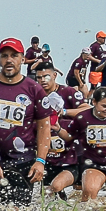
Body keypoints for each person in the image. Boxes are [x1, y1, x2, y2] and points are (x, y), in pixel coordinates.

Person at [0, 39, 52, 210]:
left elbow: (44, 127)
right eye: (4, 56)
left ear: (23, 59)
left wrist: (41, 160)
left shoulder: (34, 89)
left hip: (23, 160)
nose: (9, 60)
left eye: (14, 56)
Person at [38, 61, 90, 199]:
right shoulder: (35, 95)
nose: (42, 80)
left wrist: (64, 112)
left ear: (54, 75)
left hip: (72, 152)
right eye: (39, 77)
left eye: (46, 76)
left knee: (76, 189)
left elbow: (87, 110)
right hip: (49, 154)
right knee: (47, 195)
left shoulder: (68, 92)